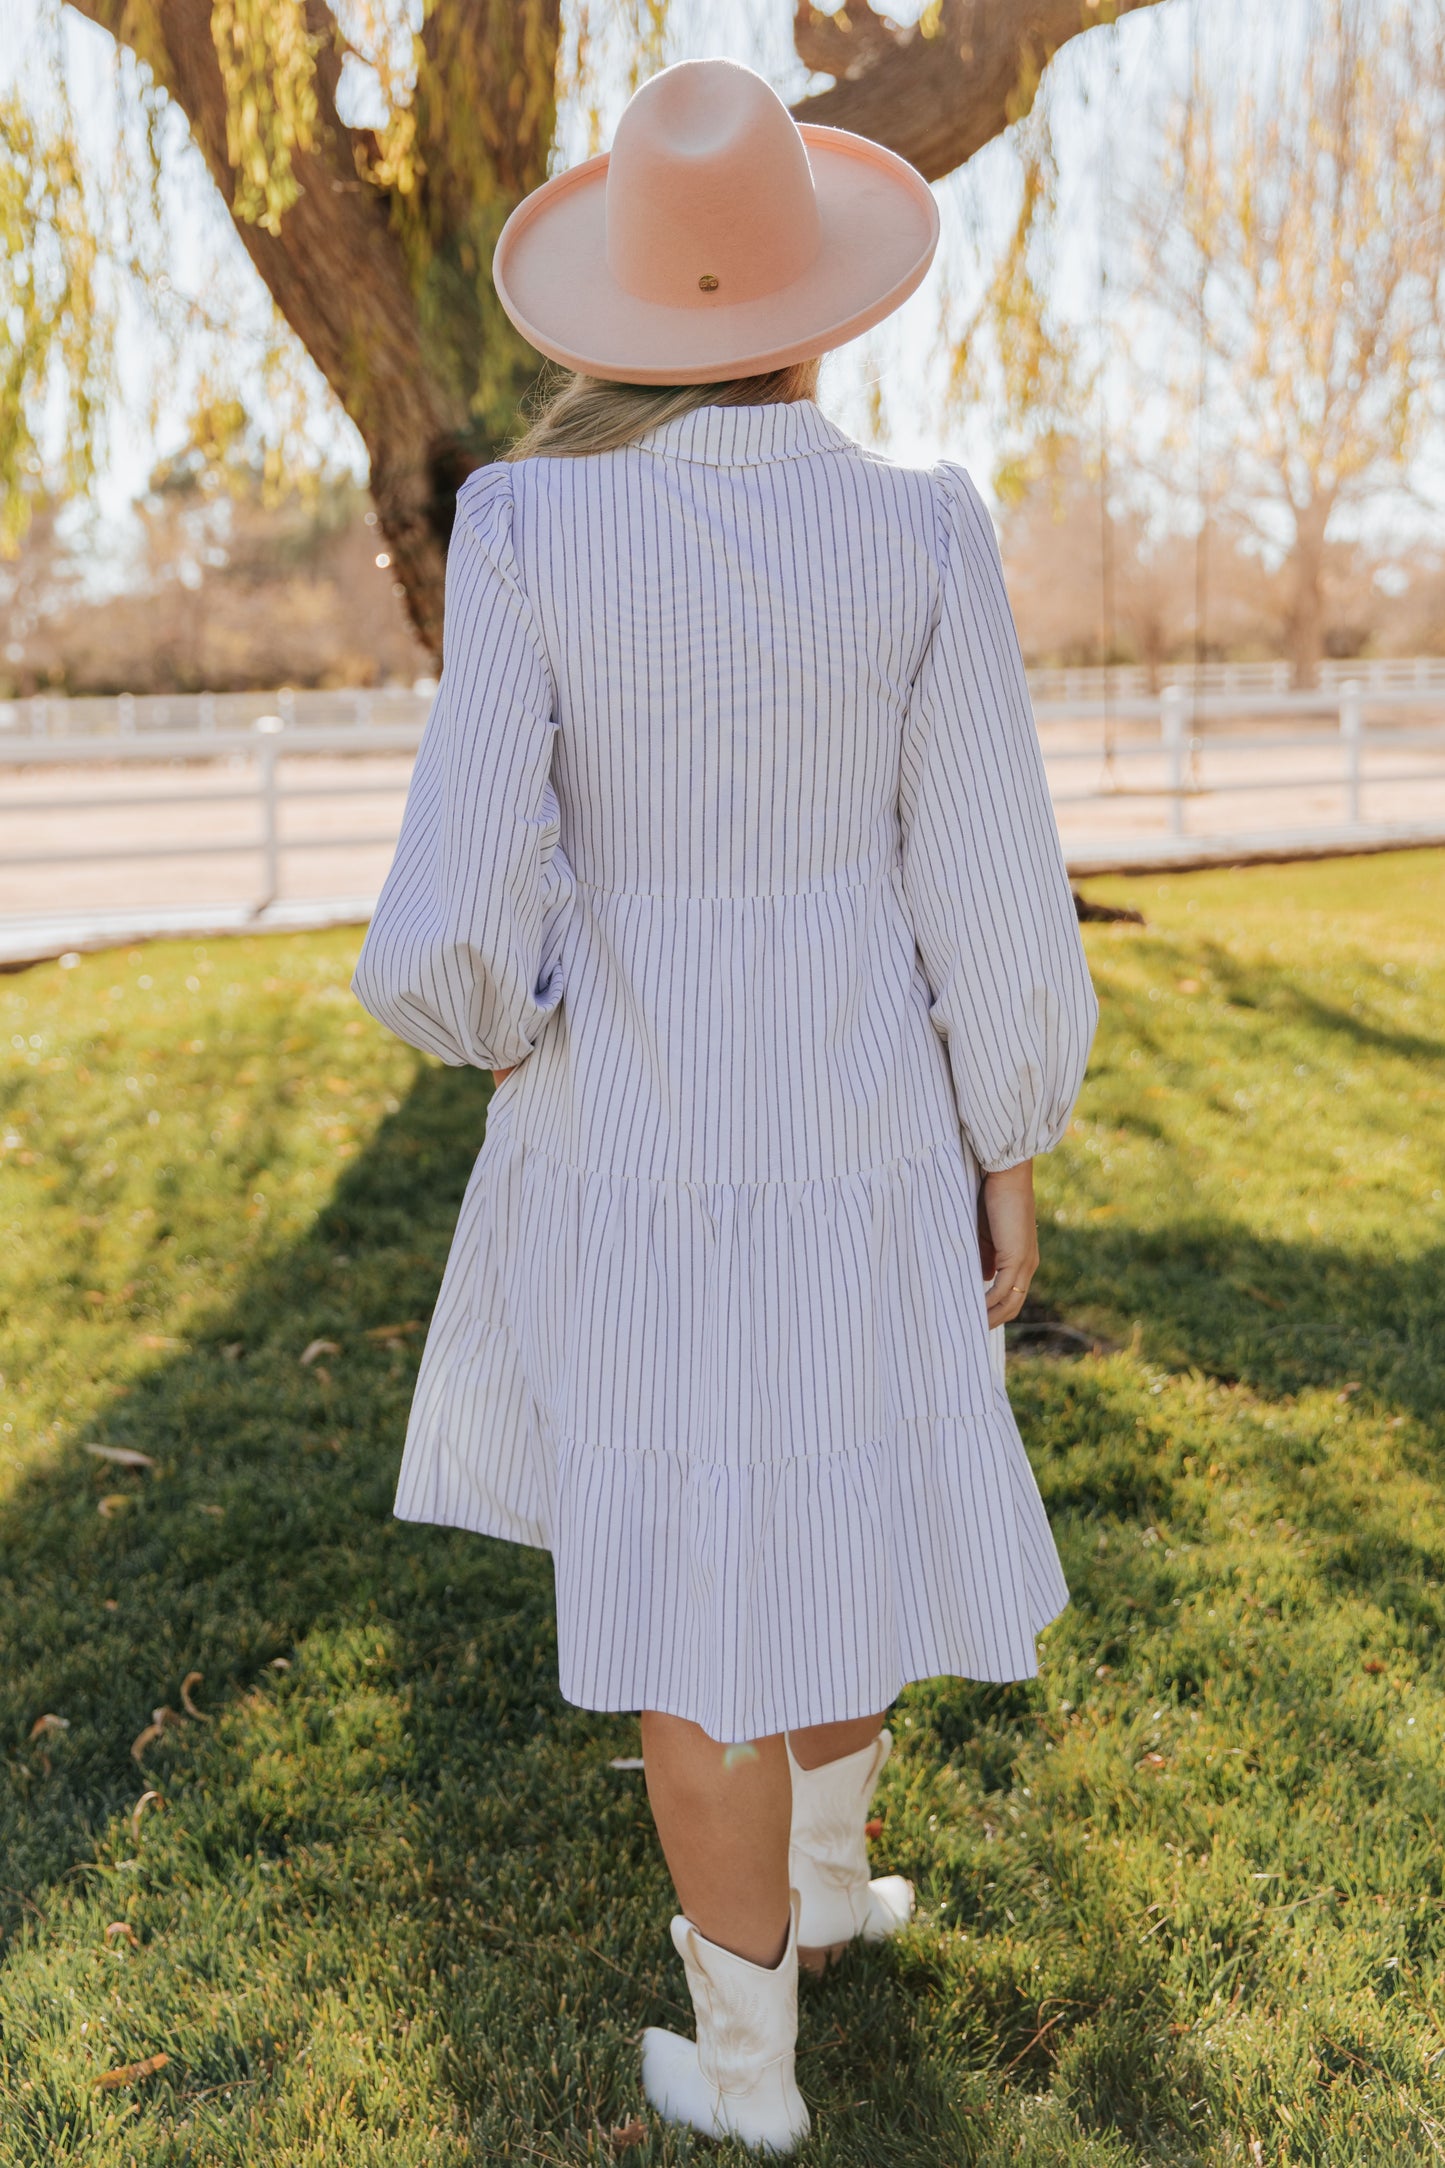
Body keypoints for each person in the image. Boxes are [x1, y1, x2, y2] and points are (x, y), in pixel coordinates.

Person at [352, 54, 1097, 2157]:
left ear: (621, 308)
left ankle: (753, 2067)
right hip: (867, 1125)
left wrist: (509, 1017)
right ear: (817, 299)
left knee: (695, 1585)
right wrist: (1005, 1132)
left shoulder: (523, 527)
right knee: (845, 1510)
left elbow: (451, 916)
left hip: (637, 1140)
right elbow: (990, 884)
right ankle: (829, 1895)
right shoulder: (919, 528)